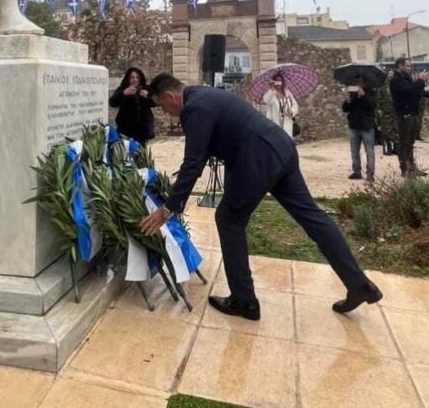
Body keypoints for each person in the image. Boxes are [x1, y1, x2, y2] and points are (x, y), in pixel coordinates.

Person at [140, 74, 383, 320]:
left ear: (171, 96)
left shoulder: (193, 108)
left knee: (228, 220)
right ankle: (358, 284)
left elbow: (193, 163)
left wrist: (168, 209)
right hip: (280, 147)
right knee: (313, 218)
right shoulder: (205, 94)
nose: (167, 113)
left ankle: (244, 301)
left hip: (256, 159)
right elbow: (216, 142)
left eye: (163, 106)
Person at [390, 58, 429, 177]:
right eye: (407, 66)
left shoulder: (407, 78)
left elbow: (416, 92)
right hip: (404, 115)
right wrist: (420, 80)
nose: (409, 68)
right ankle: (405, 168)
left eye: (409, 66)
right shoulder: (396, 80)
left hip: (412, 113)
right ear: (400, 66)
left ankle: (412, 167)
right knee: (404, 142)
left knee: (410, 143)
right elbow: (409, 91)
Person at [108, 67, 155, 145]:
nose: (134, 79)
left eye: (137, 77)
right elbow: (112, 102)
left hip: (142, 129)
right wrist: (123, 93)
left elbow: (155, 103)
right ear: (128, 79)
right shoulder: (122, 89)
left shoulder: (145, 89)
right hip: (126, 128)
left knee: (140, 152)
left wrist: (148, 95)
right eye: (132, 77)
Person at [342, 78, 376, 180]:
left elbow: (372, 106)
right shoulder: (353, 94)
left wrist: (363, 95)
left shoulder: (371, 92)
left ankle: (370, 173)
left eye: (358, 82)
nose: (356, 84)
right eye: (355, 82)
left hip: (366, 126)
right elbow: (345, 109)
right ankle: (356, 171)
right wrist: (347, 101)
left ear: (364, 82)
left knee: (369, 151)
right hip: (354, 125)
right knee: (354, 151)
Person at [261, 72, 299, 138]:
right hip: (275, 124)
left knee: (288, 142)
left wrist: (291, 111)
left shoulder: (288, 93)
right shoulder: (271, 93)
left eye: (280, 80)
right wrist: (271, 89)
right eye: (276, 80)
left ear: (283, 82)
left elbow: (295, 105)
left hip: (287, 123)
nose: (278, 82)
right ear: (273, 81)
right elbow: (265, 100)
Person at [375, 70, 399, 155]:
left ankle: (396, 147)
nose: (391, 75)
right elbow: (379, 99)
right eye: (389, 74)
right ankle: (389, 147)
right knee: (387, 130)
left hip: (396, 111)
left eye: (392, 74)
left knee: (396, 129)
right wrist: (379, 109)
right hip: (386, 111)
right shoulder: (382, 85)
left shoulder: (397, 84)